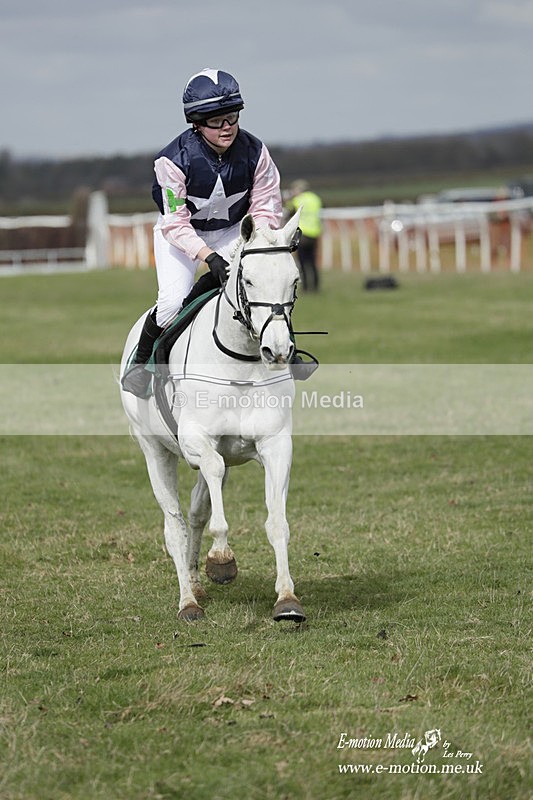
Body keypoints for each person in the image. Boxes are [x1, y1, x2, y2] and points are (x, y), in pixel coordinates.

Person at [122, 68, 283, 397]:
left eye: (232, 117)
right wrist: (208, 257)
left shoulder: (256, 152)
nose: (227, 127)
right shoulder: (171, 160)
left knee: (268, 288)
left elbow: (267, 207)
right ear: (196, 122)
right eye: (216, 121)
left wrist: (251, 244)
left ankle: (285, 353)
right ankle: (143, 361)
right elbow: (175, 221)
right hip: (181, 235)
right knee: (171, 305)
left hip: (234, 232)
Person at [285, 180, 322, 291]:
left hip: (303, 234)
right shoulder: (315, 198)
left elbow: (289, 211)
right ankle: (315, 286)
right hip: (315, 233)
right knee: (312, 261)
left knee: (302, 261)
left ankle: (305, 287)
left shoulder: (297, 200)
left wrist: (288, 200)